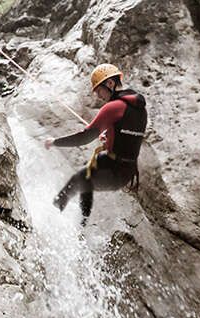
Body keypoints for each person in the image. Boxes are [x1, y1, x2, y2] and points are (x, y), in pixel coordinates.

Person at [44, 64, 147, 224]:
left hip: (115, 171)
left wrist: (55, 142)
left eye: (99, 90)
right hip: (127, 170)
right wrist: (111, 138)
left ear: (110, 84)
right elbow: (129, 137)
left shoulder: (113, 107)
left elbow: (84, 138)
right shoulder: (139, 108)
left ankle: (62, 218)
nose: (99, 96)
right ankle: (80, 221)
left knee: (81, 180)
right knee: (85, 172)